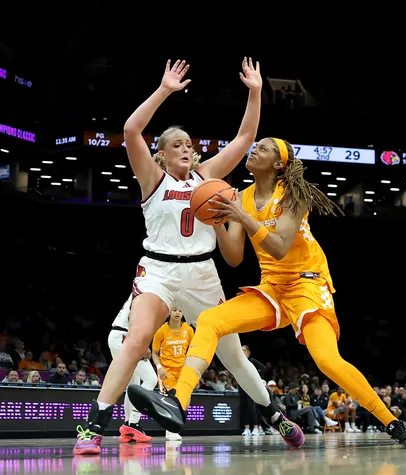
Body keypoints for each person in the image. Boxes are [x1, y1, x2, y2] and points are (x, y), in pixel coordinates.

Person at [128, 137, 406, 448]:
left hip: (307, 284)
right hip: (273, 288)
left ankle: (394, 424)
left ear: (279, 164)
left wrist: (241, 217)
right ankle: (178, 403)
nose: (255, 149)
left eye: (265, 148)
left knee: (326, 360)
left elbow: (280, 247)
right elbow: (233, 257)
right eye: (255, 146)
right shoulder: (240, 198)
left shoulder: (295, 195)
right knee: (210, 320)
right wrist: (215, 219)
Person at [74, 57, 297, 455]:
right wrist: (164, 90)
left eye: (189, 145)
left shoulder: (207, 176)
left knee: (232, 356)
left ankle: (273, 414)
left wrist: (256, 91)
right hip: (158, 270)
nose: (186, 149)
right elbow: (130, 129)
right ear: (160, 154)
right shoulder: (151, 177)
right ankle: (93, 425)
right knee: (136, 339)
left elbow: (246, 138)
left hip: (202, 275)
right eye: (177, 144)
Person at [107, 295, 158, 444]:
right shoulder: (145, 294)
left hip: (118, 335)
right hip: (125, 336)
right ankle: (132, 424)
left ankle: (129, 426)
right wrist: (144, 343)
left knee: (133, 385)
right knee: (150, 379)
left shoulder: (139, 292)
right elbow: (138, 320)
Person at [152, 306, 194, 441]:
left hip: (183, 370)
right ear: (169, 313)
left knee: (185, 401)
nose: (177, 313)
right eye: (174, 310)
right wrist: (159, 367)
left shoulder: (188, 330)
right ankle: (170, 431)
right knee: (172, 400)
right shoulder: (161, 331)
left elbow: (193, 350)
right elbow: (154, 353)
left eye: (180, 310)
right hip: (167, 371)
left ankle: (176, 427)